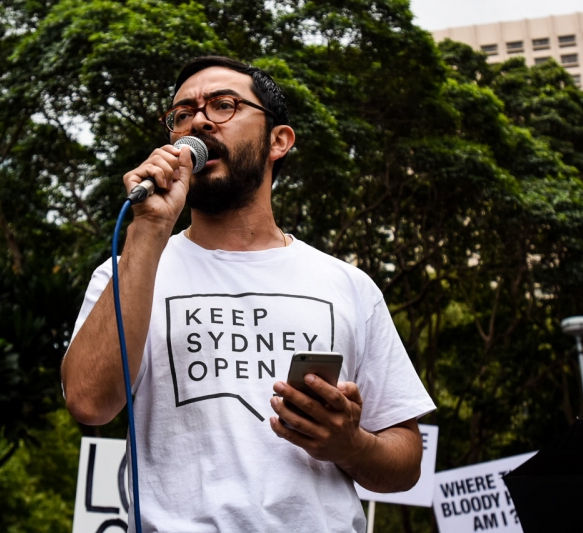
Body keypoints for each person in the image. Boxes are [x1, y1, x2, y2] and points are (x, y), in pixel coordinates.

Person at [62, 56, 436, 532]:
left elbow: (406, 462)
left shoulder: (347, 285)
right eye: (182, 114)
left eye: (224, 105)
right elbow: (89, 403)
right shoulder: (129, 269)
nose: (198, 120)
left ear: (278, 141)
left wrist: (350, 445)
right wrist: (150, 229)